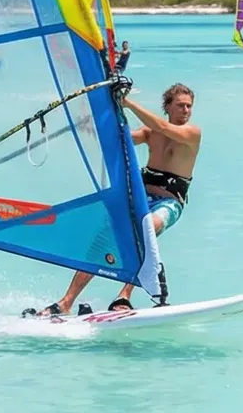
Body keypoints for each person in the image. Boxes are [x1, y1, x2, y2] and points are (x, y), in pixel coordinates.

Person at [28, 83, 199, 317]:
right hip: (140, 200)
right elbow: (117, 140)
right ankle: (66, 301)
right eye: (180, 105)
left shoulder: (192, 134)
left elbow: (160, 125)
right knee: (101, 242)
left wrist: (127, 102)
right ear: (167, 107)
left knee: (146, 229)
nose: (186, 110)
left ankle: (124, 295)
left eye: (189, 106)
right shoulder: (151, 134)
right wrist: (93, 127)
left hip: (168, 204)